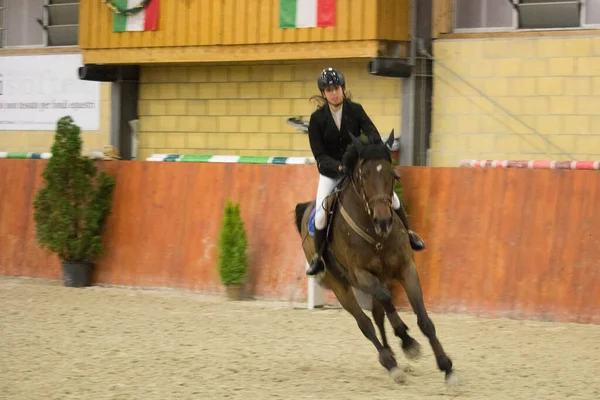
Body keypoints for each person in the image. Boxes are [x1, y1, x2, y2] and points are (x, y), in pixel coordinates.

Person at [305, 67, 425, 276]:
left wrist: (371, 147)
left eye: (337, 88)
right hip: (332, 172)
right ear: (323, 94)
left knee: (393, 199)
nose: (334, 93)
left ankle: (409, 234)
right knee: (321, 217)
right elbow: (320, 155)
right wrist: (339, 166)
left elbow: (372, 133)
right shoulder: (317, 120)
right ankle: (318, 257)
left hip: (357, 169)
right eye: (329, 90)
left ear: (343, 89)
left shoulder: (356, 110)